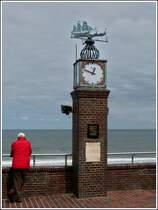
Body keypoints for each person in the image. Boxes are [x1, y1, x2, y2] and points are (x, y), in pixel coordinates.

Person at [8, 132, 32, 202]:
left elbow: (12, 153)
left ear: (18, 137)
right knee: (23, 181)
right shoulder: (28, 143)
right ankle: (18, 197)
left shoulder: (14, 143)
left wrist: (13, 154)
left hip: (16, 165)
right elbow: (30, 152)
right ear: (25, 137)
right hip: (25, 165)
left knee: (16, 181)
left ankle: (11, 192)